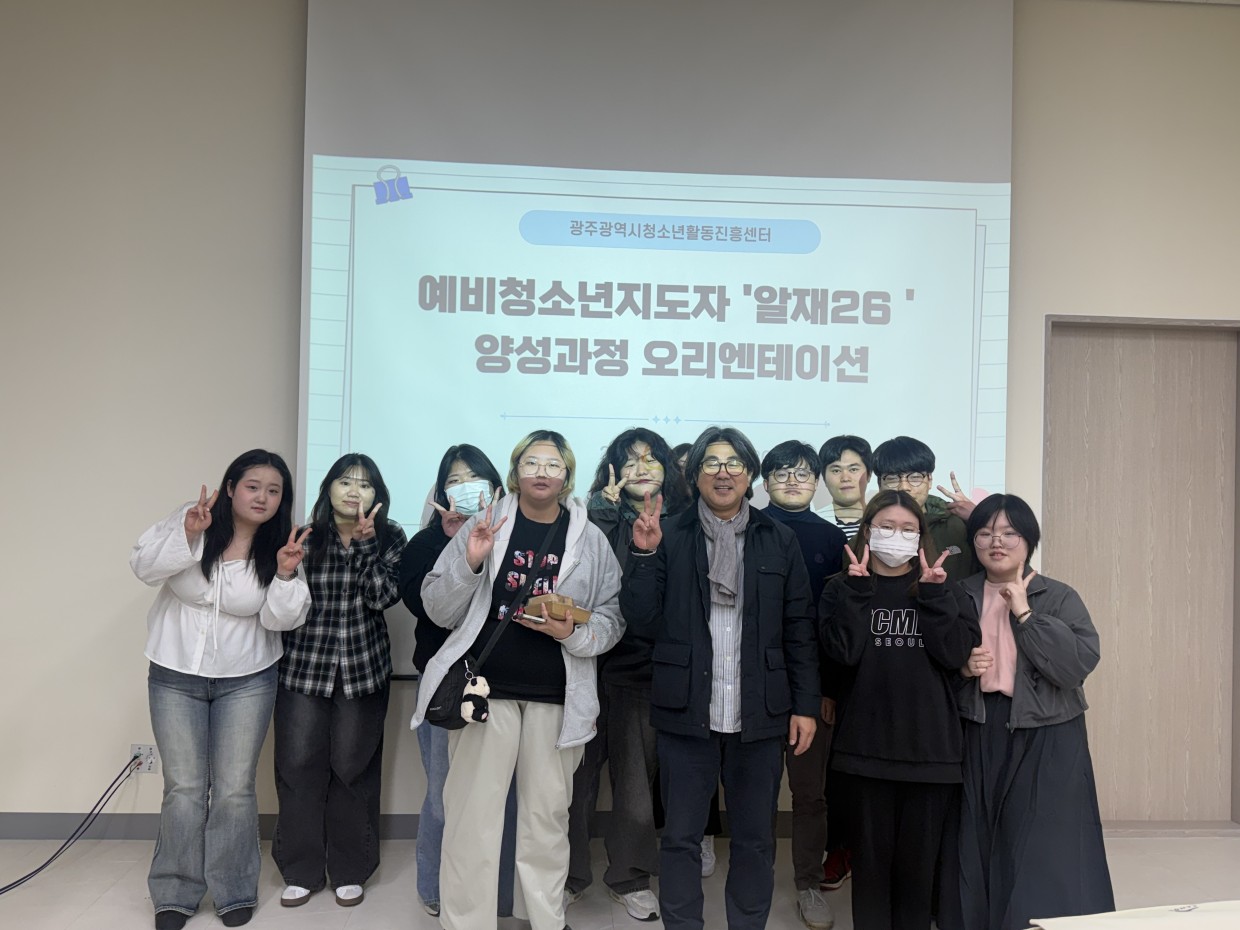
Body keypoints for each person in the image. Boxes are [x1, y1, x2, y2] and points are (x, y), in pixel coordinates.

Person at [410, 430, 625, 930]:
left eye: (553, 464)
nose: (542, 472)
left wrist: (572, 633)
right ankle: (467, 922)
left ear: (567, 475)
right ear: (515, 471)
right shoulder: (485, 523)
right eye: (531, 462)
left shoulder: (589, 538)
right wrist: (471, 560)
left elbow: (612, 619)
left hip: (557, 697)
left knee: (546, 821)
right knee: (472, 818)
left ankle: (545, 919)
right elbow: (437, 607)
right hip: (485, 695)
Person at [621, 426, 819, 930]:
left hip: (761, 711)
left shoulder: (779, 538)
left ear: (750, 475)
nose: (723, 472)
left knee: (755, 839)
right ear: (694, 476)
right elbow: (641, 620)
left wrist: (805, 706)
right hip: (687, 709)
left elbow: (799, 628)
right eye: (711, 463)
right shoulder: (669, 533)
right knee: (680, 838)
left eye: (734, 463)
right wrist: (643, 555)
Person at [130, 450, 311, 930]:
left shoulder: (282, 546)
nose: (262, 497)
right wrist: (188, 534)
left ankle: (233, 890)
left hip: (247, 679)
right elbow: (143, 567)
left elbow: (282, 619)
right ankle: (175, 891)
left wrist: (286, 574)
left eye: (274, 491)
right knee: (184, 787)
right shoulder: (194, 520)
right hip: (174, 673)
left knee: (233, 789)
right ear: (230, 488)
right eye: (253, 486)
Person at [945, 494, 1113, 930]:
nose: (996, 542)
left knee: (1043, 843)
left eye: (1009, 533)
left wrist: (1024, 613)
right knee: (975, 837)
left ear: (1029, 540)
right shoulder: (960, 594)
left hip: (1048, 731)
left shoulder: (1057, 595)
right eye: (985, 533)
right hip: (978, 725)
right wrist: (962, 669)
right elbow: (934, 667)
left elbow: (1073, 667)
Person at [818, 489, 979, 930]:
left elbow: (956, 656)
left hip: (932, 755)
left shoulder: (947, 591)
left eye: (908, 529)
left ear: (921, 537)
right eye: (887, 526)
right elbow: (841, 655)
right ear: (867, 530)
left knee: (918, 875)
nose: (897, 536)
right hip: (863, 753)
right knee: (870, 873)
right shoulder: (840, 588)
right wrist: (857, 592)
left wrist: (934, 597)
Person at [565, 427, 690, 922]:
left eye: (651, 459)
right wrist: (601, 515)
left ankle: (630, 876)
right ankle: (569, 876)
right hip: (583, 663)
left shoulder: (683, 521)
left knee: (637, 786)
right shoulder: (588, 518)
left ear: (668, 469)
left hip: (643, 669)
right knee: (575, 783)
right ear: (611, 470)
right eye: (630, 460)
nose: (641, 468)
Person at [272, 454, 407, 909]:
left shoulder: (391, 536)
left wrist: (367, 546)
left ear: (378, 495)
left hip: (363, 670)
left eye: (365, 485)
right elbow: (286, 602)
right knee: (297, 767)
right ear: (328, 487)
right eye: (345, 482)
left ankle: (351, 869)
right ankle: (300, 870)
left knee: (353, 771)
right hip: (303, 667)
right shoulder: (307, 537)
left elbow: (381, 597)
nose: (354, 491)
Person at [398, 444, 518, 919]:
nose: (465, 486)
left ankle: (499, 893)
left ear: (496, 486)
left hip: (505, 683)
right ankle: (433, 885)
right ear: (441, 491)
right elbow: (423, 607)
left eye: (475, 477)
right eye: (454, 479)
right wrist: (453, 544)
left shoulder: (514, 533)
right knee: (444, 795)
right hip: (446, 682)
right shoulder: (423, 543)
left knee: (504, 794)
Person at [760, 441, 846, 930]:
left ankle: (809, 883)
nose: (792, 481)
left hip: (811, 687)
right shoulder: (749, 529)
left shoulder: (832, 539)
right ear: (764, 481)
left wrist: (826, 690)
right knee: (756, 792)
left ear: (817, 483)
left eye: (802, 474)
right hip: (755, 685)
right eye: (781, 473)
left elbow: (834, 624)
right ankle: (754, 880)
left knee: (810, 793)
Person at [871, 436, 980, 580]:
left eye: (915, 477)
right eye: (892, 479)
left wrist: (978, 516)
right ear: (879, 484)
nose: (904, 487)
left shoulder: (958, 524)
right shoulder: (869, 533)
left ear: (929, 481)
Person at [816, 435, 873, 542]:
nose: (845, 478)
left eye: (853, 469)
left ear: (869, 474)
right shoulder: (813, 524)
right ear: (824, 478)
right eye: (836, 471)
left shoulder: (884, 521)